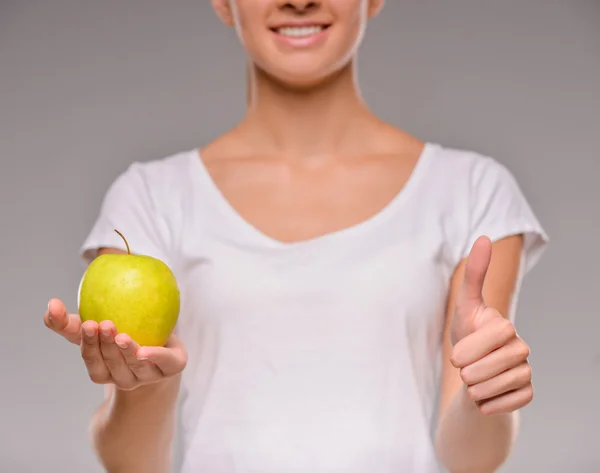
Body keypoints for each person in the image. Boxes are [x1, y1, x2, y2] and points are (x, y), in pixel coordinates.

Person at [44, 1, 550, 472]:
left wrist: (487, 389)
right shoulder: (151, 198)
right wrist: (146, 386)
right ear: (223, 1)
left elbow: (469, 461)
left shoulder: (471, 190)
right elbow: (130, 464)